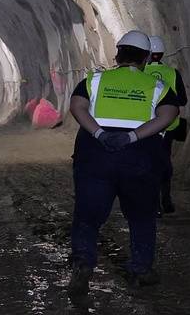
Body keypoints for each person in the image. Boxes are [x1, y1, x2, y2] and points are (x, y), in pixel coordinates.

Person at [68, 30, 182, 292]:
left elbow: (77, 106)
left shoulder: (94, 81)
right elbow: (170, 113)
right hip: (140, 158)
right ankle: (140, 269)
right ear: (145, 59)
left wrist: (99, 133)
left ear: (117, 55)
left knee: (87, 215)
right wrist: (132, 136)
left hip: (96, 156)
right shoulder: (157, 87)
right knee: (141, 216)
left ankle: (83, 261)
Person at [144, 35, 187, 215]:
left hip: (145, 127)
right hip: (167, 127)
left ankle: (152, 204)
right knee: (164, 161)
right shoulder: (172, 73)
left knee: (147, 164)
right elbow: (182, 100)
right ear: (161, 53)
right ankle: (166, 200)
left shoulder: (139, 71)